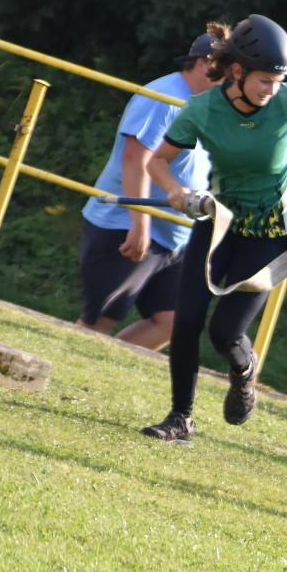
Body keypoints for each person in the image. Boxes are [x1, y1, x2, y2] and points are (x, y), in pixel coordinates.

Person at [141, 15, 287, 442]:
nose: (272, 90)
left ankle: (244, 371)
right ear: (238, 71)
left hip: (271, 234)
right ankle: (180, 419)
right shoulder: (202, 110)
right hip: (220, 222)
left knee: (225, 333)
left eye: (278, 81)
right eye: (265, 81)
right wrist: (174, 190)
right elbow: (157, 161)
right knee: (187, 320)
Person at [79, 26, 226, 350]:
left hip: (173, 237)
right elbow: (135, 159)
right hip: (127, 226)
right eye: (229, 71)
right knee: (98, 322)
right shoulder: (164, 97)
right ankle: (71, 368)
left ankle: (106, 368)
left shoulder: (204, 104)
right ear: (206, 64)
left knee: (173, 322)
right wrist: (140, 222)